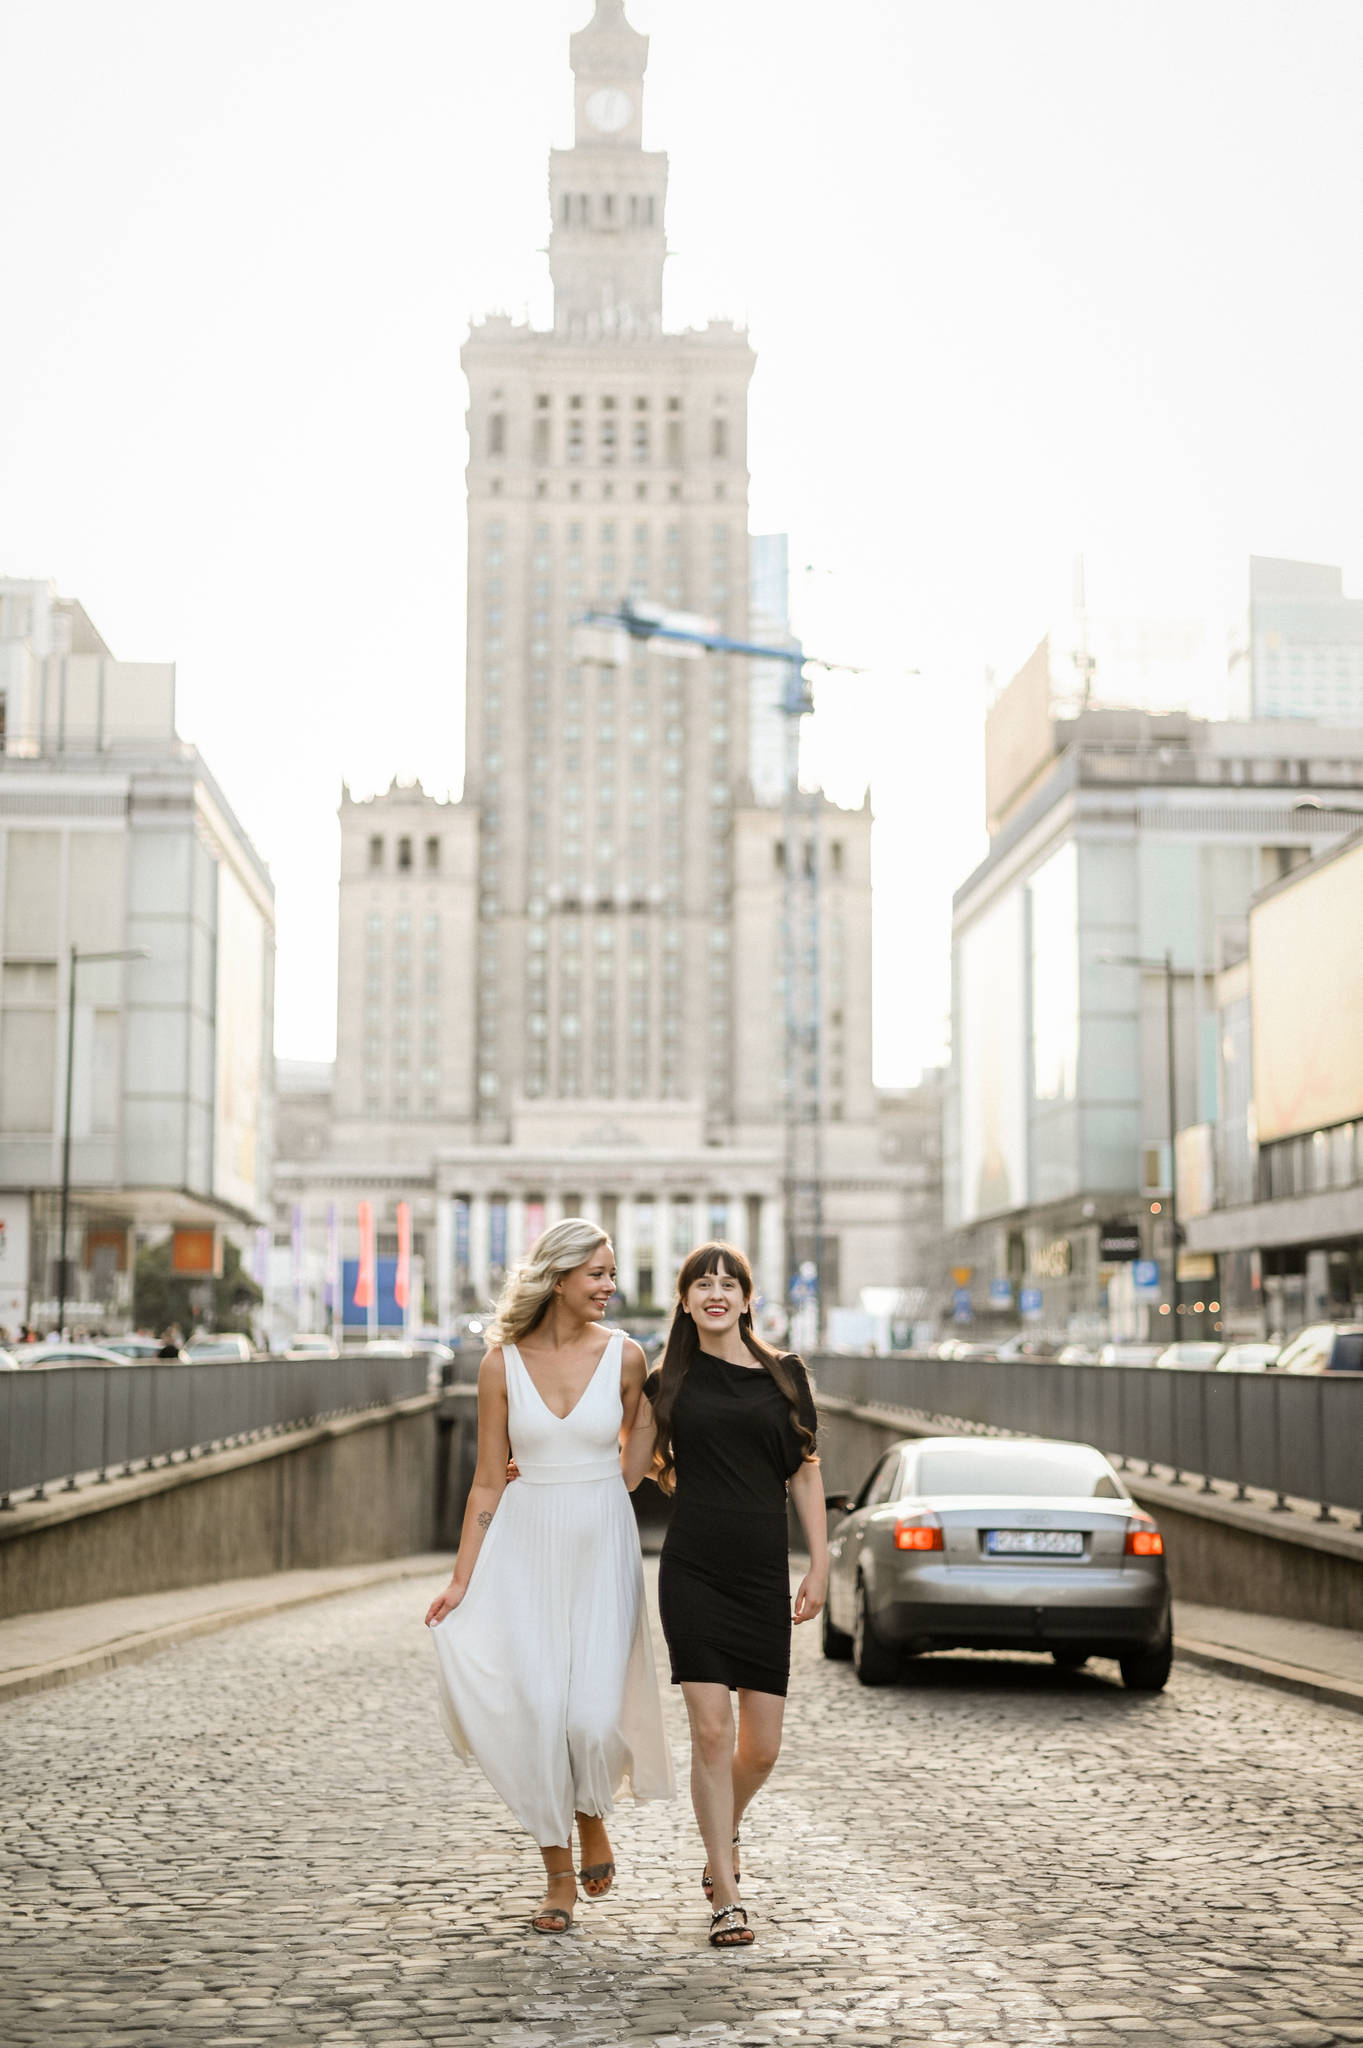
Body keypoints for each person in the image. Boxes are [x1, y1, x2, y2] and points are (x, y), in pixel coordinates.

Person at [425, 1218, 674, 1935]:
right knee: (537, 1709)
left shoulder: (626, 1357)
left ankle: (592, 1811)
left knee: (590, 1717)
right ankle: (557, 1872)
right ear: (558, 1278)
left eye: (612, 1272)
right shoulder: (499, 1364)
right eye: (598, 1273)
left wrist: (658, 1414)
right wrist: (462, 1581)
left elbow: (632, 1472)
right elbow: (486, 1481)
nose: (610, 1285)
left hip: (602, 1543)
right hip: (523, 1544)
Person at [639, 1241, 827, 1949]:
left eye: (728, 1283)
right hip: (692, 1571)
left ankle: (727, 1826)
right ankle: (726, 1891)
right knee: (712, 1732)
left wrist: (819, 1563)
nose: (715, 1293)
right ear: (685, 1301)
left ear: (748, 1299)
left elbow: (804, 1469)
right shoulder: (666, 1381)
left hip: (760, 1572)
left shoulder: (785, 1375)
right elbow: (632, 1461)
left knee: (763, 1748)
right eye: (702, 1284)